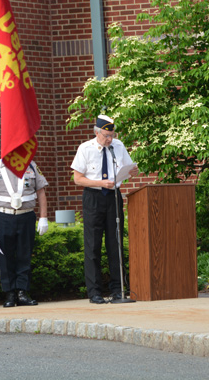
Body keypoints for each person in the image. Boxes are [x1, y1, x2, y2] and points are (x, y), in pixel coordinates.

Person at [71, 115, 139, 304]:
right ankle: (94, 292)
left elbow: (129, 167)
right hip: (93, 197)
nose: (109, 139)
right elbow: (78, 179)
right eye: (106, 135)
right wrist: (99, 182)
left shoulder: (118, 146)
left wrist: (133, 171)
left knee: (115, 242)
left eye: (112, 135)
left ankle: (118, 289)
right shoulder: (85, 149)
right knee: (93, 245)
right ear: (96, 132)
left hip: (113, 196)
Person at [0, 159, 49, 307]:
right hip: (3, 216)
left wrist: (43, 217)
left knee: (25, 254)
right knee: (5, 256)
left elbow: (41, 191)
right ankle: (9, 293)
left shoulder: (31, 165)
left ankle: (22, 292)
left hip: (26, 215)